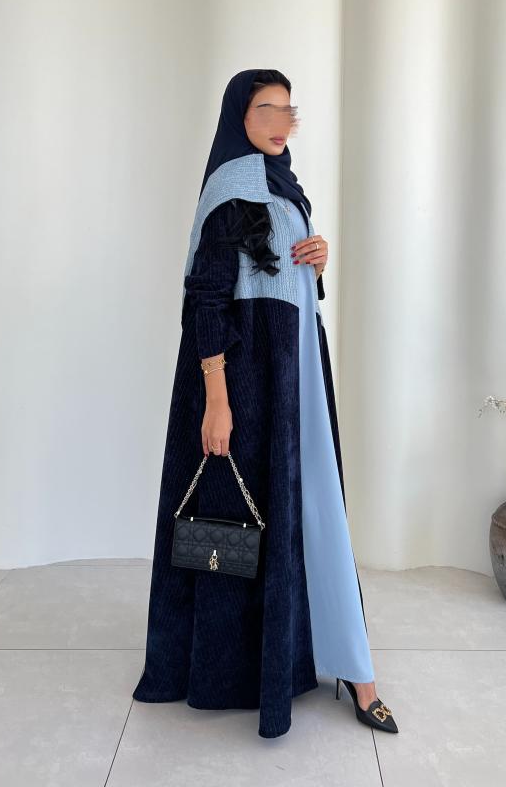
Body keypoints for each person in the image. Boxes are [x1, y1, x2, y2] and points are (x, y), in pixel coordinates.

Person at [132, 68, 398, 738]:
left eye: (288, 109)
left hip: (295, 374)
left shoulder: (282, 187)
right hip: (249, 381)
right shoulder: (234, 190)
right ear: (239, 117)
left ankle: (332, 658)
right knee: (245, 523)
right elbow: (207, 300)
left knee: (313, 512)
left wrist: (317, 260)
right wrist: (218, 401)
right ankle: (249, 670)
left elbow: (280, 275)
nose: (281, 122)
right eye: (266, 109)